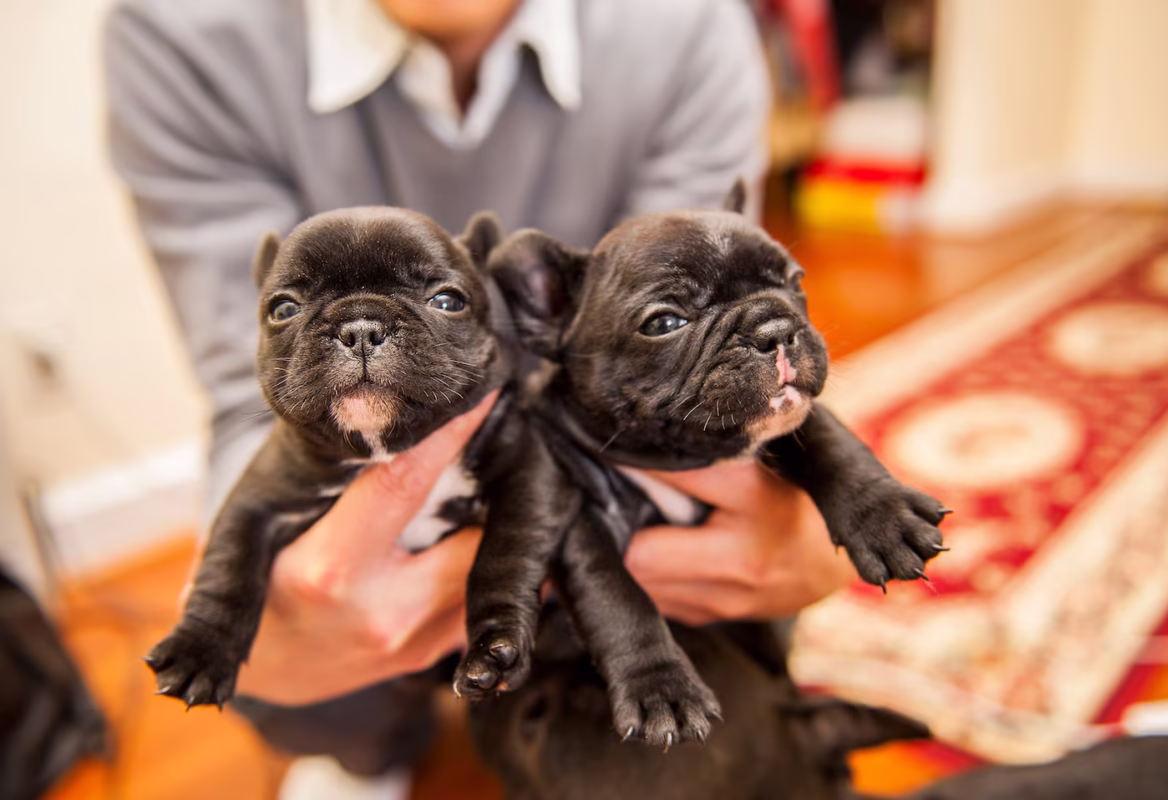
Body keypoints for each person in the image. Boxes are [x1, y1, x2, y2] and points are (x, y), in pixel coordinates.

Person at [104, 0, 856, 796]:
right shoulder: (181, 30)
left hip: (601, 457)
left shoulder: (687, 22)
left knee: (733, 562)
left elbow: (704, 324)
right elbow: (244, 387)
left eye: (443, 301)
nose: (364, 339)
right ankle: (373, 746)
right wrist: (253, 609)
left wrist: (817, 500)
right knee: (294, 643)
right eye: (294, 306)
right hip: (363, 498)